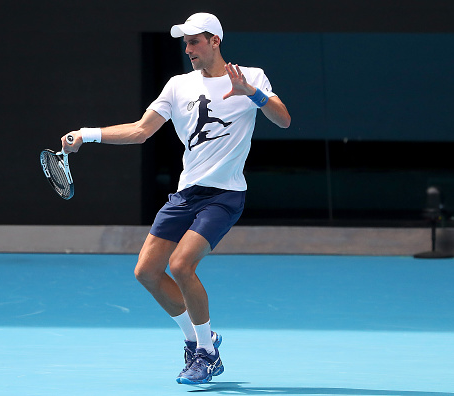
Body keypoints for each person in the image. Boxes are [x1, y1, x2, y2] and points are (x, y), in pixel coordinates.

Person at [61, 12, 291, 384]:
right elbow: (140, 131)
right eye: (185, 43)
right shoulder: (177, 85)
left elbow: (283, 120)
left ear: (215, 40)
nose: (188, 49)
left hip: (225, 195)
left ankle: (206, 354)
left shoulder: (252, 76)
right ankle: (198, 339)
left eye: (194, 41)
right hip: (187, 194)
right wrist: (87, 134)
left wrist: (253, 93)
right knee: (147, 272)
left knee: (182, 265)